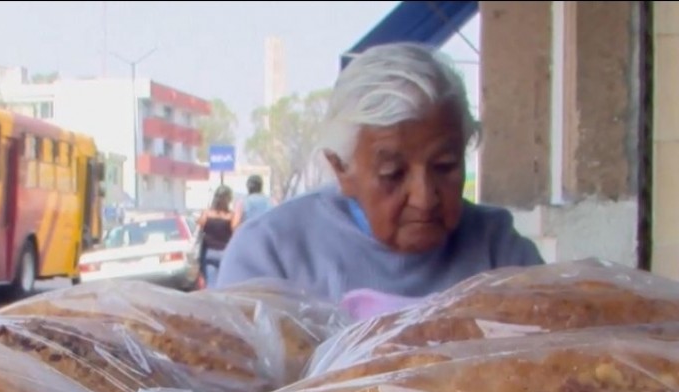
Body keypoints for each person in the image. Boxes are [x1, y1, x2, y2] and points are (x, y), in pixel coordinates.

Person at [216, 42, 544, 305]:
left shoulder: (499, 250)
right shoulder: (269, 254)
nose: (424, 197)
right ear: (341, 168)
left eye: (445, 166)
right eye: (393, 173)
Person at [198, 185, 237, 288]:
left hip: (209, 253)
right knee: (226, 285)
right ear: (228, 199)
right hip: (225, 253)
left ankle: (212, 303)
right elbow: (235, 232)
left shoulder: (206, 214)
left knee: (211, 285)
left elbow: (200, 227)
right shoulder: (231, 216)